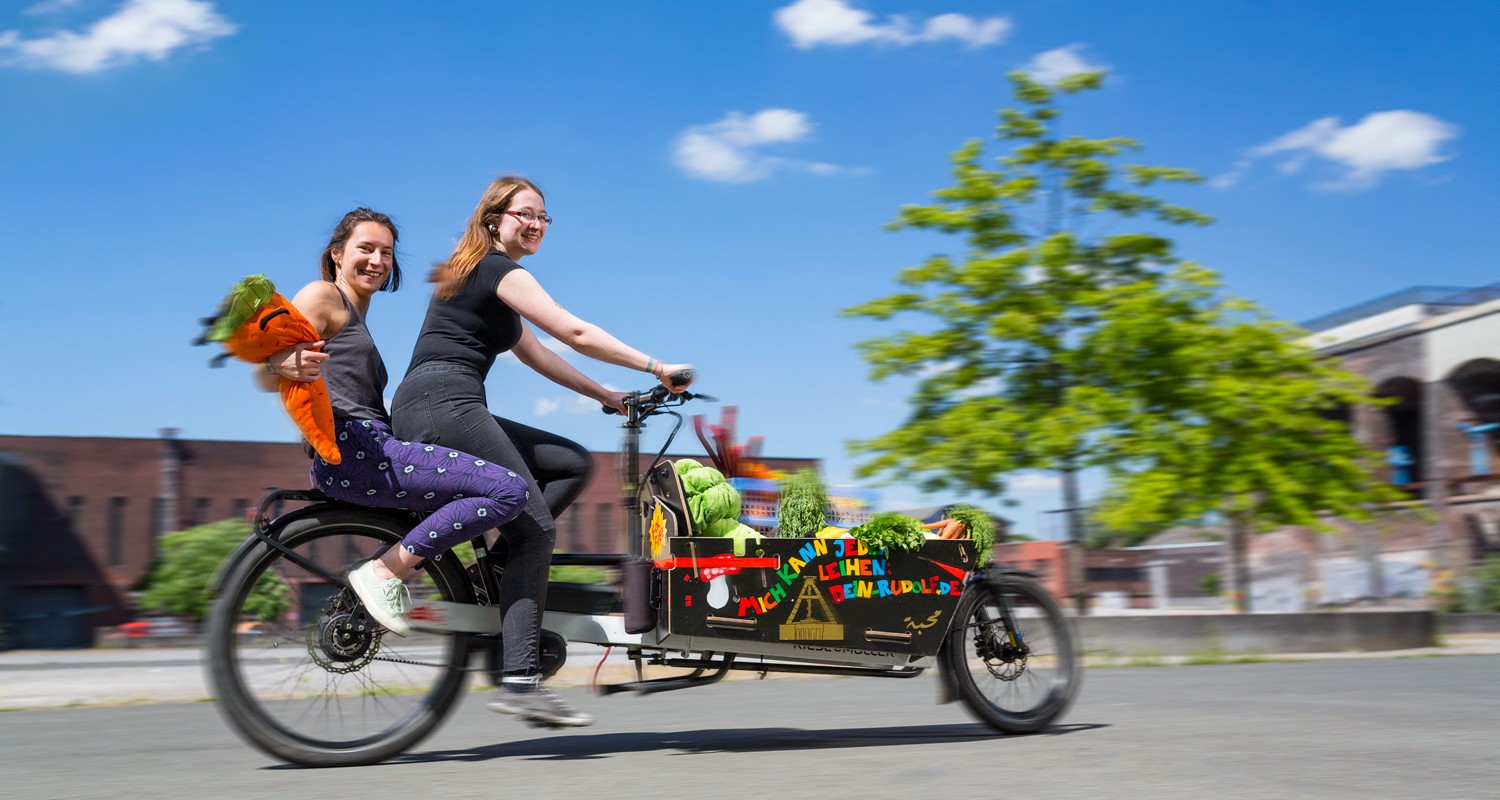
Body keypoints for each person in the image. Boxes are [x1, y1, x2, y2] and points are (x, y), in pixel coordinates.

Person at [390, 176, 693, 727]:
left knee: (569, 463)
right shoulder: (495, 269)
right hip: (443, 403)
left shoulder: (486, 281)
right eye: (524, 214)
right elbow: (573, 331)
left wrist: (605, 394)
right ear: (493, 219)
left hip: (437, 403)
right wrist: (656, 367)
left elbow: (539, 354)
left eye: (543, 217)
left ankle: (502, 570)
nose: (535, 224)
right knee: (536, 529)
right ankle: (522, 682)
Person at [260, 208, 528, 639]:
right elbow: (266, 365)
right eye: (365, 249)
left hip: (364, 449)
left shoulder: (356, 314)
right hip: (357, 449)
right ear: (336, 255)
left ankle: (372, 585)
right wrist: (280, 361)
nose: (377, 261)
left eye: (386, 252)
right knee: (508, 489)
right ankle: (383, 574)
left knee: (445, 508)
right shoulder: (322, 296)